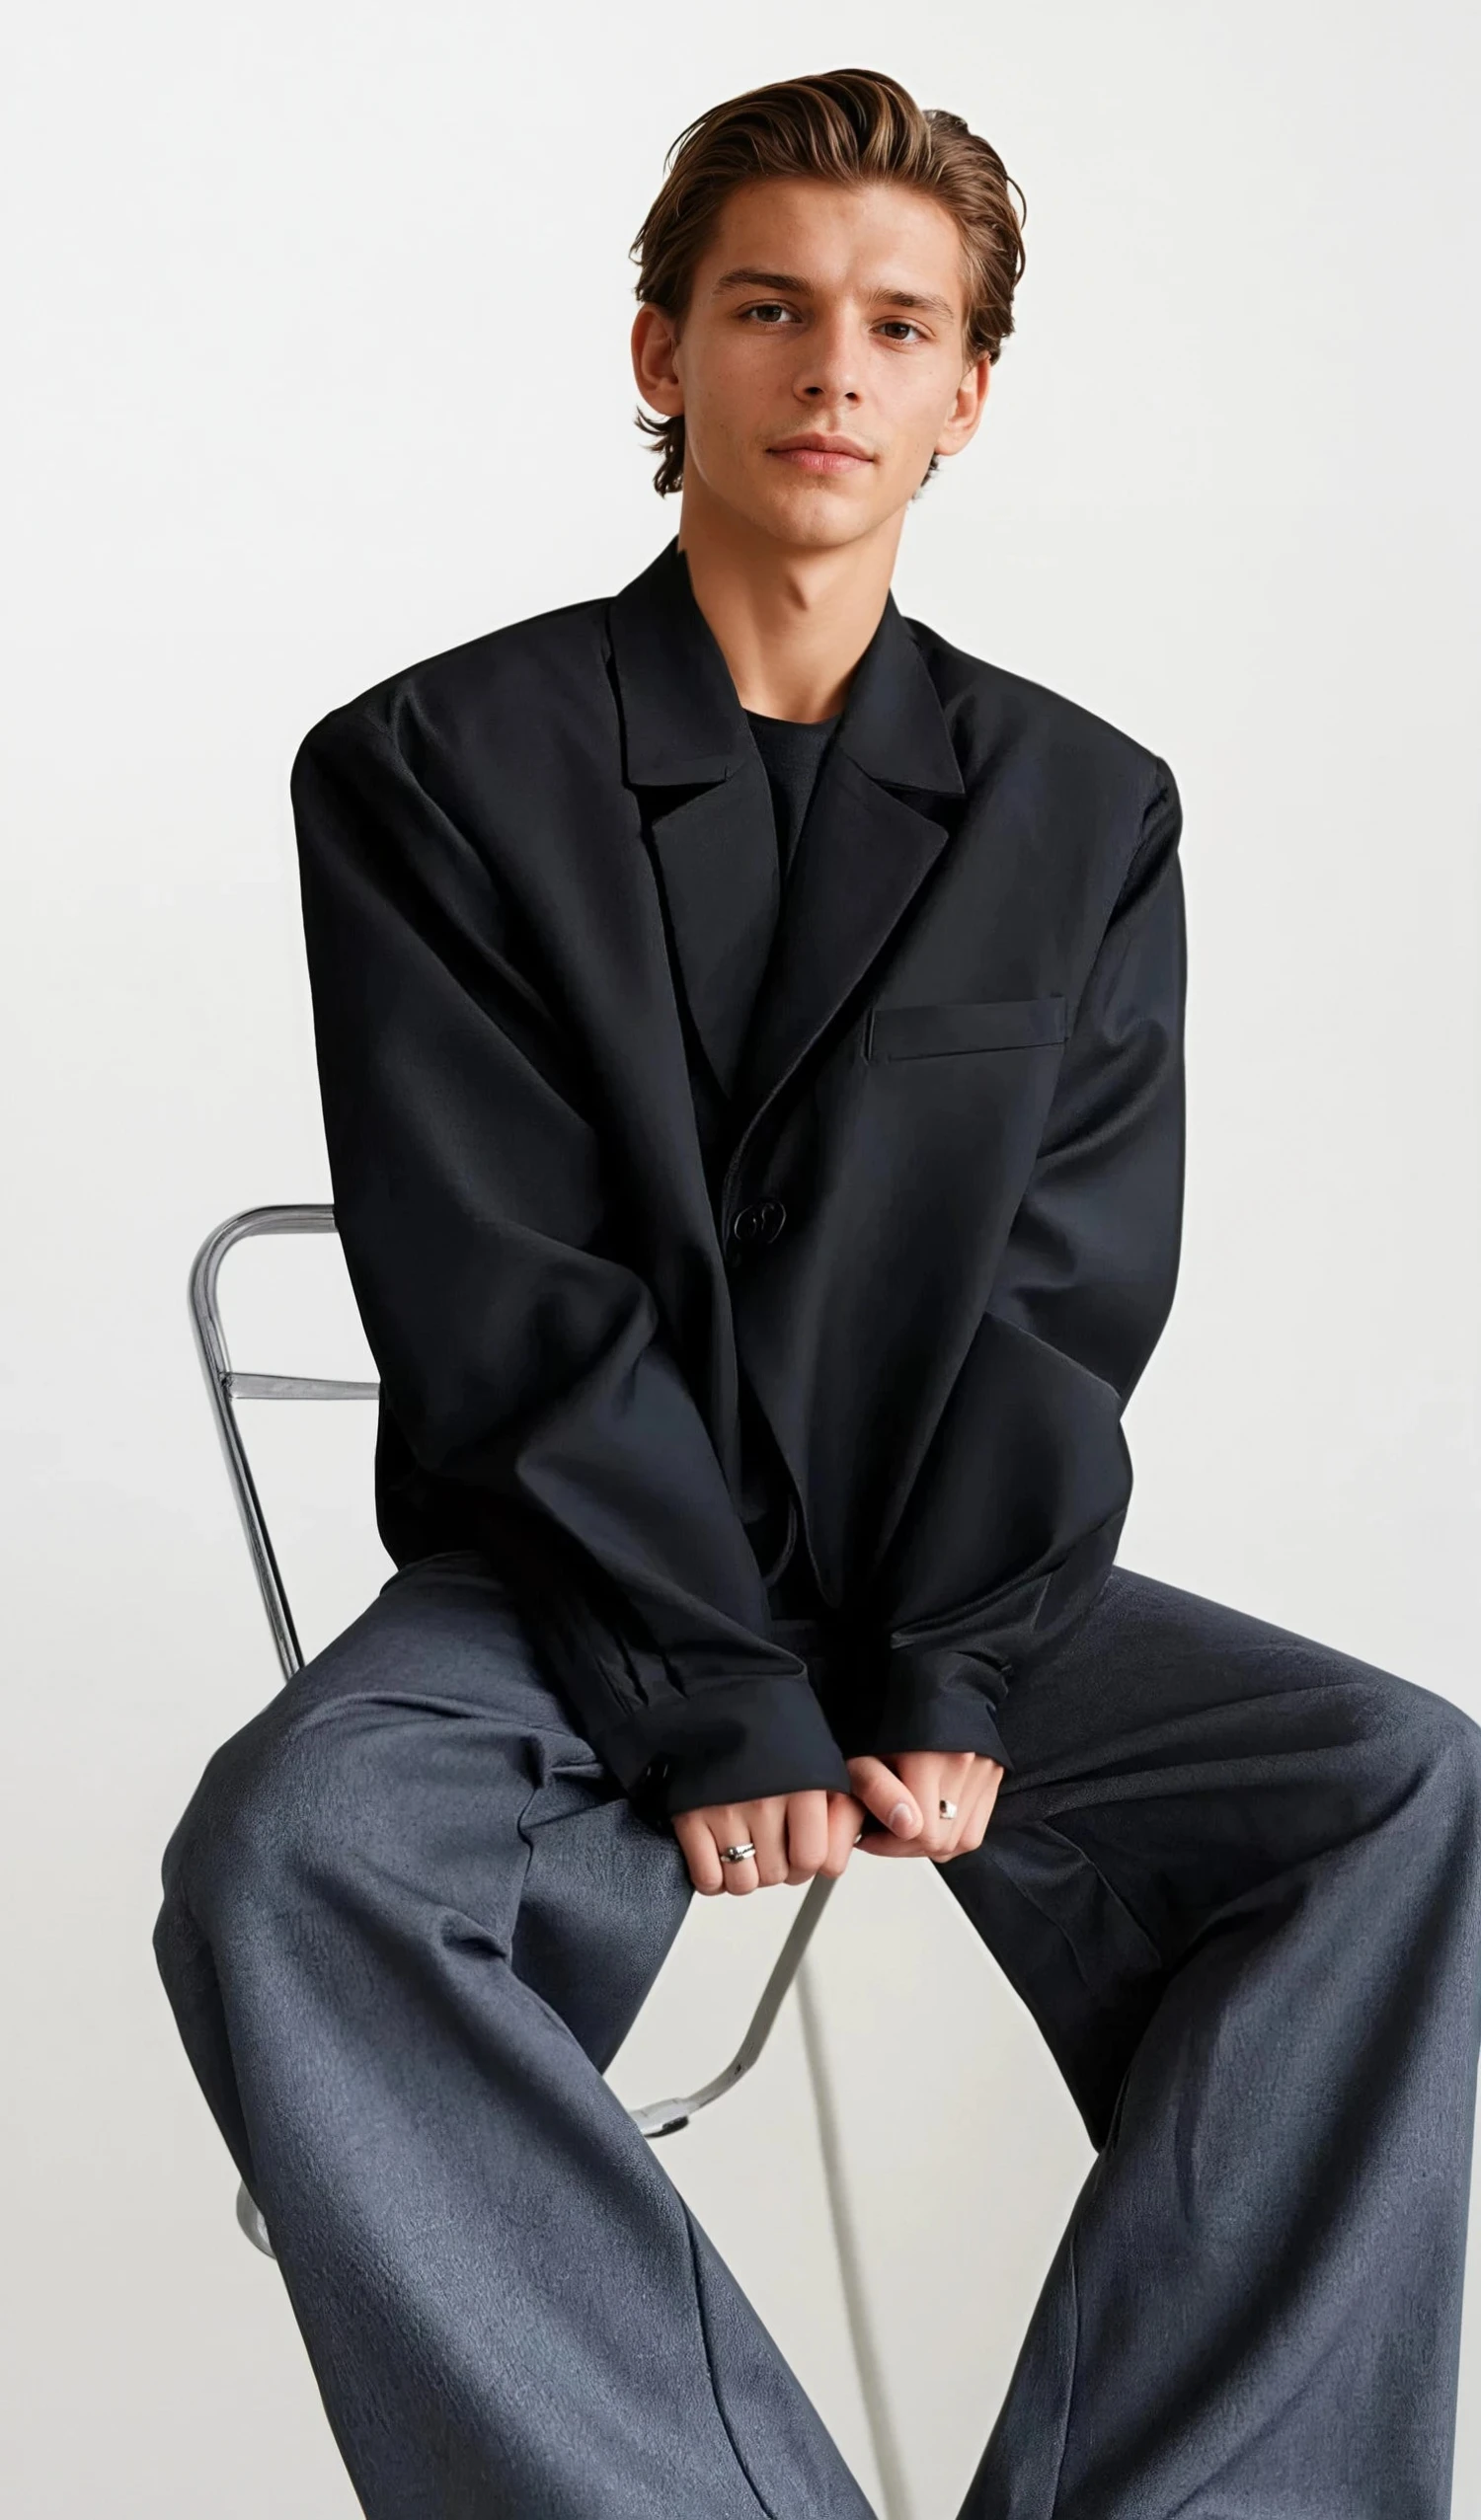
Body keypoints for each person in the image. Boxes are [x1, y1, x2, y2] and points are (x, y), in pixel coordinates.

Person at [153, 64, 1481, 2520]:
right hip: (568, 1593)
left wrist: (950, 1661)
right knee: (292, 1850)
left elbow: (1061, 1292)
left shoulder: (1084, 805)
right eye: (770, 310)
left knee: (1391, 1791)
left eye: (900, 325)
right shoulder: (433, 766)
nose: (834, 371)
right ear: (663, 353)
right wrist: (713, 1689)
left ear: (970, 390)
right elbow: (508, 1289)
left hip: (940, 1583)